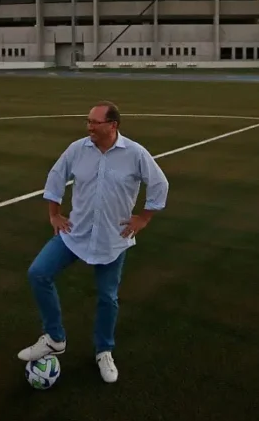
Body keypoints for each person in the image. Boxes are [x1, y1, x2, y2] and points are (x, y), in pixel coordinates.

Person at [16, 101, 169, 383]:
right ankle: (54, 338)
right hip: (75, 233)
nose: (89, 127)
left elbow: (160, 184)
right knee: (38, 273)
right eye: (87, 121)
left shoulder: (135, 153)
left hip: (112, 239)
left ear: (113, 125)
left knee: (107, 297)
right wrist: (54, 215)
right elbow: (55, 176)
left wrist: (144, 219)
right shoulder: (78, 149)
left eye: (95, 122)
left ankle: (104, 351)